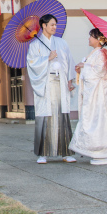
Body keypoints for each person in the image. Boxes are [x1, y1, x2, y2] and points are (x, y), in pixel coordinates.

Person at [26, 14, 76, 164]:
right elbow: (31, 63)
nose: (54, 27)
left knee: (62, 116)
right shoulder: (35, 45)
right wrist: (46, 58)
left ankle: (66, 152)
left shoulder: (61, 43)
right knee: (44, 116)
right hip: (46, 83)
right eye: (52, 25)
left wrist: (69, 80)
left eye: (55, 25)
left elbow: (69, 61)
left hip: (60, 82)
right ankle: (43, 153)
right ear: (44, 26)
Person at [69, 28, 107, 165]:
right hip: (94, 94)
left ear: (99, 39)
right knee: (93, 120)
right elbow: (92, 69)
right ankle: (96, 151)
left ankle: (102, 151)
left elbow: (99, 71)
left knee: (98, 121)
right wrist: (82, 68)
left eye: (91, 36)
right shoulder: (96, 53)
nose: (89, 38)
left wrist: (84, 67)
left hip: (98, 95)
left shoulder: (101, 53)